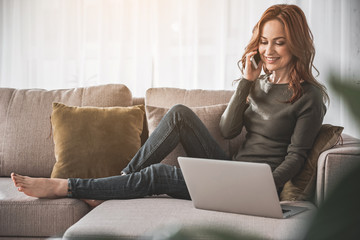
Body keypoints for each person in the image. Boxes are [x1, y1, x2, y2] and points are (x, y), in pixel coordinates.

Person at [11, 4, 328, 207]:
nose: (268, 50)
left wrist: (257, 186)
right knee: (179, 114)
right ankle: (119, 182)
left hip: (254, 187)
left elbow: (296, 158)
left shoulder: (310, 97)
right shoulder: (259, 82)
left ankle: (66, 187)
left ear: (295, 43)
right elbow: (228, 130)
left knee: (159, 175)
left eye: (279, 41)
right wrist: (246, 82)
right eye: (263, 41)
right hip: (234, 171)